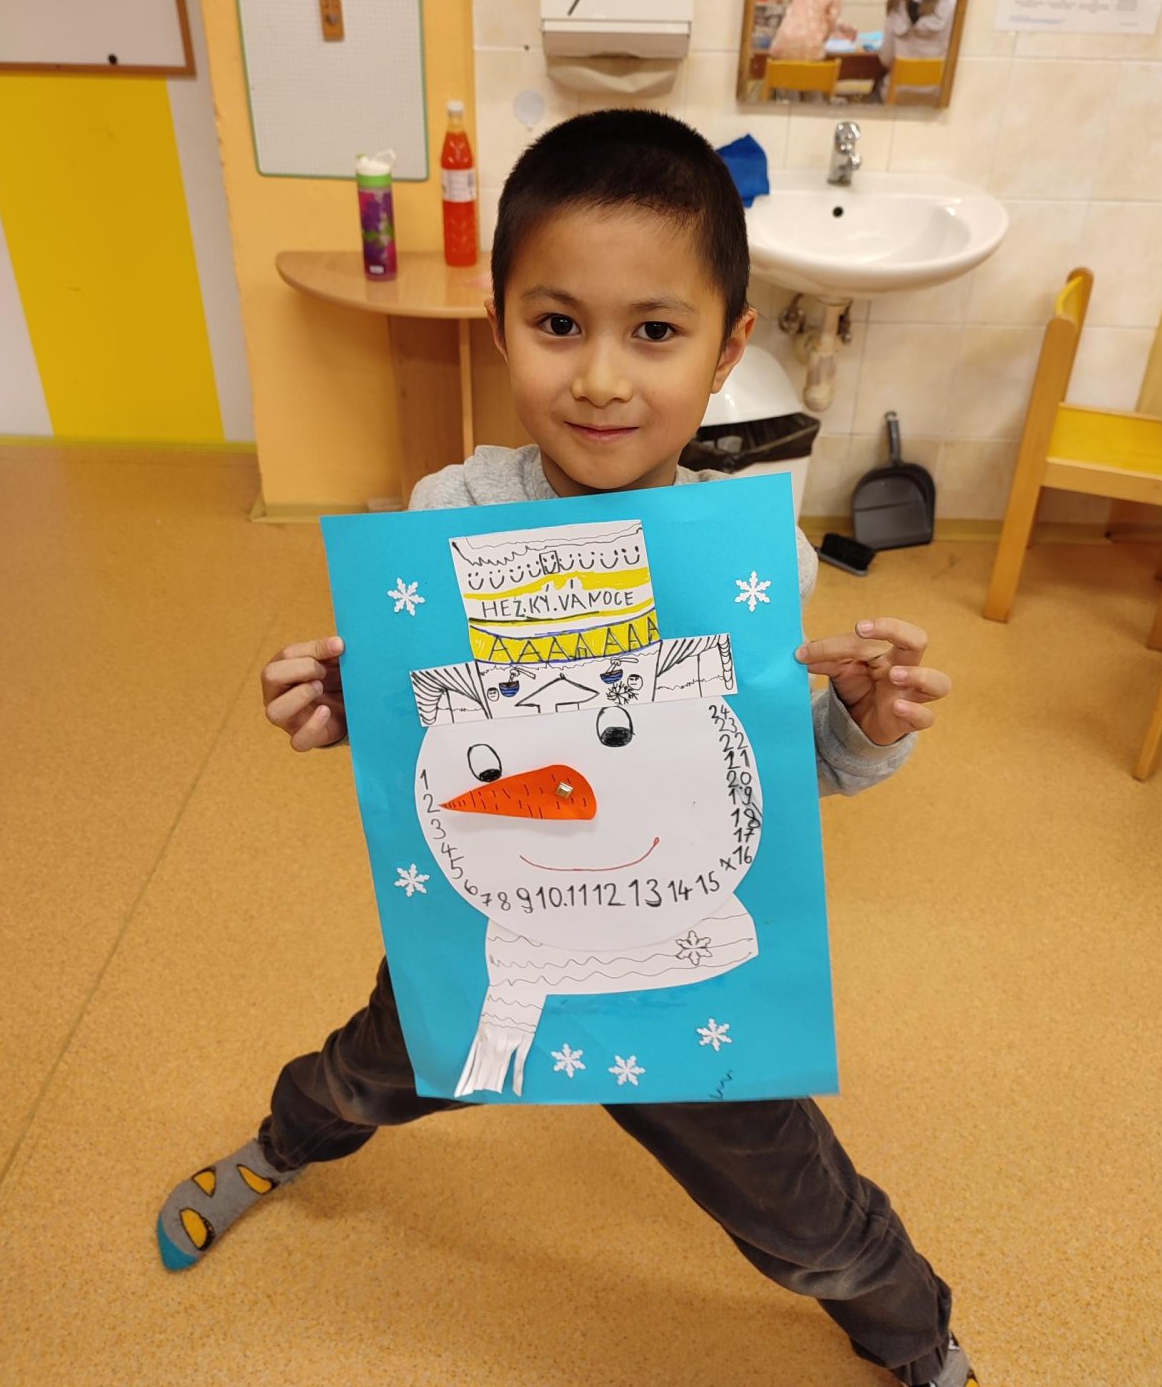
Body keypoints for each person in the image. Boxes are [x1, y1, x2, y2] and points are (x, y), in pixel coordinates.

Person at [155, 110, 974, 1387]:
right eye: (557, 323)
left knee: (808, 1219)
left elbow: (768, 776)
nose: (601, 378)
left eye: (655, 331)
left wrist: (861, 726)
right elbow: (440, 736)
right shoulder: (447, 515)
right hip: (496, 937)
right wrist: (348, 706)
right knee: (370, 1068)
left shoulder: (754, 559)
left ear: (728, 347)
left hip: (684, 970)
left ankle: (918, 1340)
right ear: (500, 325)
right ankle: (282, 1142)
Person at [876, 0, 958, 100]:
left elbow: (886, 59)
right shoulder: (955, 7)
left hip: (896, 96)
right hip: (937, 97)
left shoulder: (896, 5)